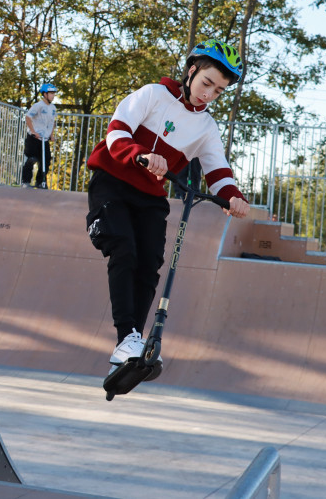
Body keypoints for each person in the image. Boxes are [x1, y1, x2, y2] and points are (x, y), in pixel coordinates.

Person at [84, 39, 250, 371]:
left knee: (149, 263)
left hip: (151, 195)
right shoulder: (153, 95)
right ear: (192, 70)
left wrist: (233, 197)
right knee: (124, 249)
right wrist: (140, 155)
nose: (208, 94)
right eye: (206, 83)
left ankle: (131, 342)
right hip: (113, 181)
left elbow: (217, 169)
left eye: (218, 91)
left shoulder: (205, 126)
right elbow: (117, 132)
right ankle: (126, 338)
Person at [21, 83, 57, 188]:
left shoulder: (53, 108)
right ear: (45, 94)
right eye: (51, 93)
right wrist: (33, 131)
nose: (53, 95)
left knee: (45, 161)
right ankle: (26, 181)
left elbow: (52, 122)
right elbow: (28, 117)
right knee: (32, 159)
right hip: (34, 138)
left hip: (44, 139)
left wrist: (51, 135)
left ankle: (40, 182)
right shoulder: (38, 106)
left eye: (53, 93)